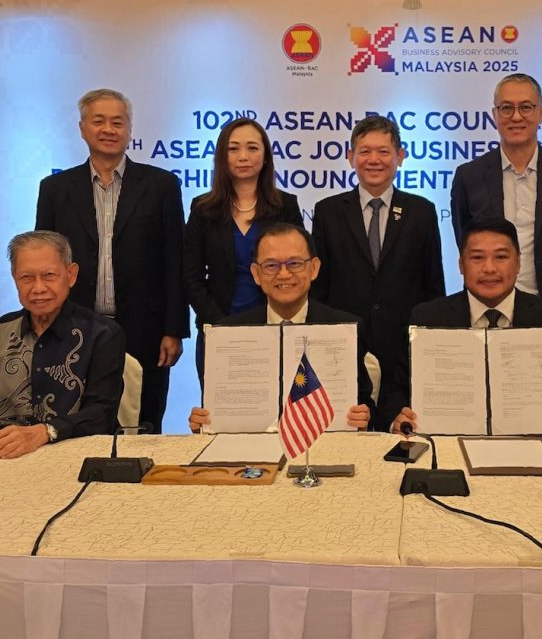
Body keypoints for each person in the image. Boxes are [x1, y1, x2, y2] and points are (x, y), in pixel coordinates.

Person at [35, 88, 189, 433]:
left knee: (145, 423)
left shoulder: (162, 185)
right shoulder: (55, 189)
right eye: (99, 121)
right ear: (82, 128)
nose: (109, 129)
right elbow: (42, 260)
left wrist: (173, 329)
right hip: (74, 329)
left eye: (117, 122)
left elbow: (174, 260)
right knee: (74, 423)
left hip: (146, 329)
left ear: (130, 129)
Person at [0, 231, 126, 458]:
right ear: (14, 279)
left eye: (49, 275)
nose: (38, 288)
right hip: (1, 463)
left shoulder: (102, 335)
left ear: (71, 275)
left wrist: (45, 432)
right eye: (27, 278)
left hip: (77, 461)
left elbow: (101, 414)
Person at [311, 116, 445, 432]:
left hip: (402, 346)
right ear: (350, 157)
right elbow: (319, 287)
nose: (374, 160)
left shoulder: (421, 211)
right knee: (349, 432)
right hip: (345, 344)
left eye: (384, 152)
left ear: (400, 156)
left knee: (400, 433)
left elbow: (433, 286)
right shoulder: (328, 211)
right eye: (365, 151)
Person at [397, 217, 542, 434]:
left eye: (501, 257)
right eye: (477, 258)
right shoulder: (426, 318)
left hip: (536, 445)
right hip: (447, 446)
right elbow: (397, 391)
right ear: (461, 264)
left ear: (518, 263)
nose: (489, 268)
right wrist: (399, 417)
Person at [189, 223, 373, 432]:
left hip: (326, 452)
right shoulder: (226, 334)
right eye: (271, 266)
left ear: (314, 268)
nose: (284, 274)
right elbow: (217, 412)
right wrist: (203, 423)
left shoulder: (345, 329)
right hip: (252, 456)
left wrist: (363, 415)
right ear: (256, 273)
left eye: (294, 263)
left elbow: (365, 402)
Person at [450, 73, 542, 310]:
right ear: (494, 115)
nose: (516, 116)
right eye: (506, 108)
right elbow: (466, 244)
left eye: (526, 107)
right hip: (486, 308)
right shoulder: (468, 176)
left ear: (541, 114)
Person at [183, 118, 303, 388]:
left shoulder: (286, 206)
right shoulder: (203, 209)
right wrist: (219, 324)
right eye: (234, 149)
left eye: (252, 148)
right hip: (218, 327)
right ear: (222, 156)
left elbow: (300, 267)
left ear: (265, 156)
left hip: (276, 326)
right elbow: (190, 276)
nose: (243, 157)